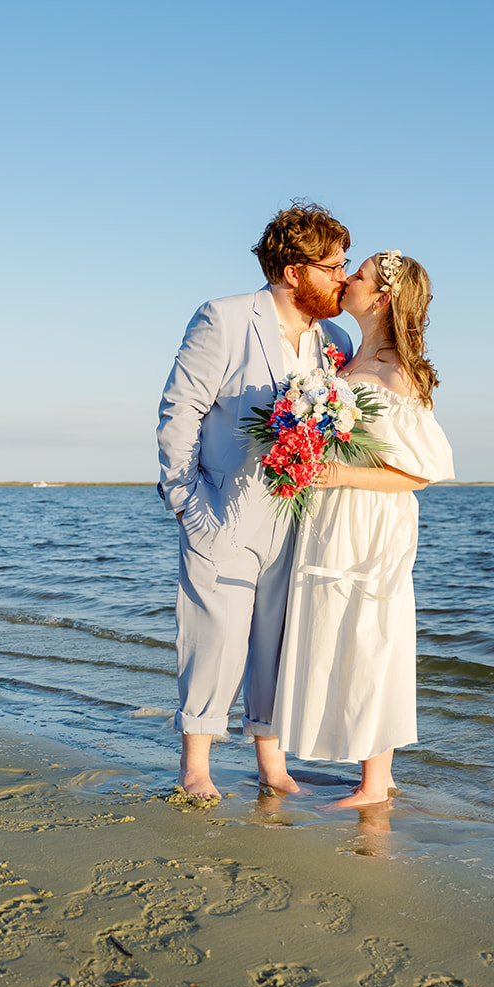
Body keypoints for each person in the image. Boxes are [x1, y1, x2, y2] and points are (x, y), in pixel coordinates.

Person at [156, 203, 356, 799]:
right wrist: (185, 500)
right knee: (214, 636)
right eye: (333, 267)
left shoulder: (336, 340)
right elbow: (181, 409)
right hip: (222, 507)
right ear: (294, 272)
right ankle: (196, 766)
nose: (343, 278)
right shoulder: (223, 318)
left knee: (279, 639)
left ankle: (272, 765)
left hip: (300, 517)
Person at [273, 251, 453, 807]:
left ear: (381, 298)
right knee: (342, 630)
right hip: (333, 516)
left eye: (360, 274)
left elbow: (421, 473)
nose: (347, 278)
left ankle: (376, 783)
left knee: (373, 633)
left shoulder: (400, 371)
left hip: (372, 520)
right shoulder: (348, 358)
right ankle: (368, 774)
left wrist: (338, 474)